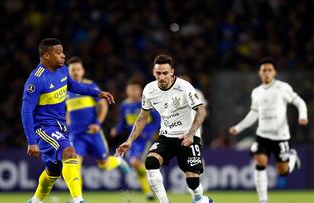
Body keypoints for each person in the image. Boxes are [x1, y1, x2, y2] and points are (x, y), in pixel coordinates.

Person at [21, 38, 114, 203]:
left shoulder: (63, 70)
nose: (63, 56)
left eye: (63, 51)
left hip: (60, 126)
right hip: (44, 128)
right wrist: (31, 141)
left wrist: (98, 93)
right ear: (47, 55)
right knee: (70, 153)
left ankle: (35, 201)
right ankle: (78, 200)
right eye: (59, 53)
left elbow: (74, 86)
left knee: (54, 171)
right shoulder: (36, 80)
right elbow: (26, 111)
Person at [116, 54, 213, 203]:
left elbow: (202, 110)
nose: (162, 77)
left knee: (193, 183)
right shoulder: (149, 90)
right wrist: (129, 141)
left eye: (165, 73)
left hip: (188, 137)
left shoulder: (184, 87)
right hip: (166, 136)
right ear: (153, 73)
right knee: (150, 163)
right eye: (158, 73)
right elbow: (142, 118)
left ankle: (201, 198)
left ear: (172, 72)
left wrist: (191, 134)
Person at [229, 58, 308, 203]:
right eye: (264, 70)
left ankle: (292, 159)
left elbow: (299, 102)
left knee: (283, 171)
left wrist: (303, 116)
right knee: (260, 162)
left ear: (275, 72)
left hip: (280, 136)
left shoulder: (282, 87)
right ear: (259, 73)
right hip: (263, 135)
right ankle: (263, 200)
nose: (266, 73)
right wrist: (238, 127)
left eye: (269, 70)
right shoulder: (256, 92)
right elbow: (254, 114)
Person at [65, 56, 130, 188]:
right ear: (69, 72)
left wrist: (98, 123)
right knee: (74, 164)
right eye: (73, 70)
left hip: (93, 133)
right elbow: (68, 111)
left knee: (104, 165)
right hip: (77, 135)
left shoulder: (90, 86)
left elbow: (103, 106)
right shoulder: (66, 89)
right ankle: (78, 199)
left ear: (83, 71)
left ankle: (118, 161)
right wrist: (68, 125)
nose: (76, 72)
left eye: (78, 69)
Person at [110, 79, 160, 201]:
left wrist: (148, 132)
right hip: (132, 140)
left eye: (135, 89)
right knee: (136, 165)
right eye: (131, 89)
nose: (133, 92)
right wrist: (116, 129)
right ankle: (149, 191)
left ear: (140, 91)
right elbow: (123, 122)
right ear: (127, 90)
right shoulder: (124, 106)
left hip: (144, 140)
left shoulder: (145, 103)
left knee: (134, 163)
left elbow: (158, 120)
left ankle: (154, 184)